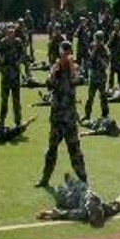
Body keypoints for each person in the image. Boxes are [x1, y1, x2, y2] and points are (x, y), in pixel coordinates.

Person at [37, 42, 87, 187]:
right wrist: (53, 74)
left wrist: (71, 70)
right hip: (57, 117)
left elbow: (80, 80)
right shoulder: (55, 67)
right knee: (51, 150)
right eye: (63, 53)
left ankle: (83, 180)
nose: (65, 56)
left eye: (67, 53)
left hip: (69, 118)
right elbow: (48, 84)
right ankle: (45, 179)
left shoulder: (74, 68)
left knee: (75, 151)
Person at [35, 175, 120, 227]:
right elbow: (63, 214)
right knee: (63, 197)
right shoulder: (84, 213)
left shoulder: (102, 209)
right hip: (78, 194)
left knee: (63, 197)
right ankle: (69, 183)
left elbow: (63, 214)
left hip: (80, 194)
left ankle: (69, 183)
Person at [0, 25, 24, 131]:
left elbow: (22, 54)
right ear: (6, 33)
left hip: (15, 75)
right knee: (4, 100)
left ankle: (18, 121)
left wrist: (19, 61)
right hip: (6, 76)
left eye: (12, 32)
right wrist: (1, 59)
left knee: (16, 100)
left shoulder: (18, 42)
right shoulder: (2, 42)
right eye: (9, 32)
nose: (11, 34)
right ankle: (2, 120)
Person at [83, 32, 110, 121]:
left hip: (101, 77)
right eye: (96, 40)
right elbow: (89, 62)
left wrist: (100, 59)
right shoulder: (92, 47)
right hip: (93, 76)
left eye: (98, 40)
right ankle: (87, 114)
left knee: (103, 97)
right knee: (90, 97)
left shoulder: (105, 50)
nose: (96, 42)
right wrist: (94, 52)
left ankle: (105, 115)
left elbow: (106, 65)